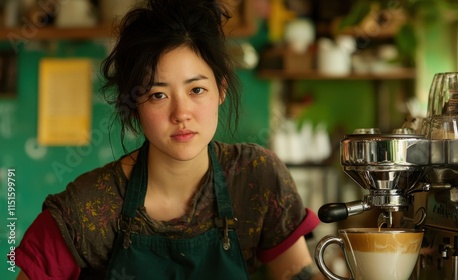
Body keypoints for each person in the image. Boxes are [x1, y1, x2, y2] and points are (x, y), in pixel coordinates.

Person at [14, 0, 322, 279]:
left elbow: (296, 272)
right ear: (134, 107)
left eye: (196, 90)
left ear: (221, 89)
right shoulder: (89, 208)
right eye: (158, 94)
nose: (181, 113)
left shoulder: (256, 177)